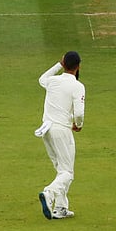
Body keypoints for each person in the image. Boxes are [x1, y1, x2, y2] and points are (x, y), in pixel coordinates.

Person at [36, 51, 86, 220]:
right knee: (67, 172)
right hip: (61, 130)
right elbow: (79, 113)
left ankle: (61, 207)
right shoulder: (77, 86)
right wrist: (78, 124)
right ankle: (49, 193)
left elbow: (42, 78)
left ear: (64, 64)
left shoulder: (52, 81)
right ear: (78, 66)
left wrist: (59, 64)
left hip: (46, 129)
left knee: (60, 168)